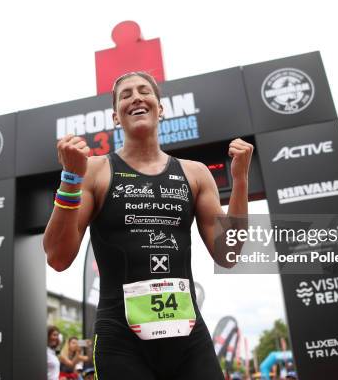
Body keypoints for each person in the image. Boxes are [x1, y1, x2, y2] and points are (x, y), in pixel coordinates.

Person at [44, 71, 254, 379]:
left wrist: (240, 181)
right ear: (116, 116)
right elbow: (57, 257)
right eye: (125, 94)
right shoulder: (94, 171)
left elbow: (229, 254)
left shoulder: (194, 173)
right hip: (120, 342)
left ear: (160, 107)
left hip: (188, 339)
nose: (136, 97)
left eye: (144, 91)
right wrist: (71, 178)